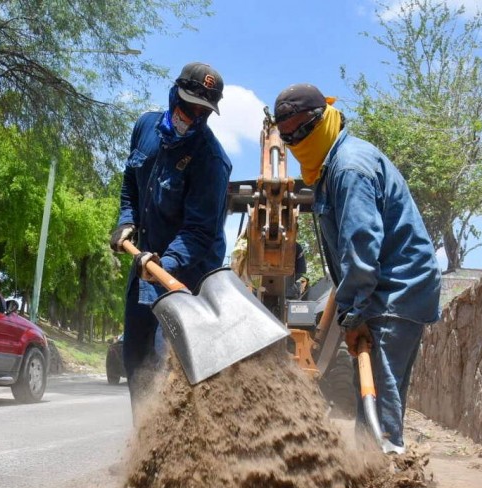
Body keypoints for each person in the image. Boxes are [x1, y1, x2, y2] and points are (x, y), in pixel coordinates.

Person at [273, 83, 441, 454]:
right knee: (371, 390)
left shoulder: (349, 168)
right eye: (287, 136)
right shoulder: (331, 166)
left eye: (302, 130)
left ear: (324, 118)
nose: (296, 140)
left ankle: (386, 479)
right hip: (383, 290)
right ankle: (372, 476)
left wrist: (356, 315)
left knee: (379, 397)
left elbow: (360, 248)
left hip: (394, 292)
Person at [109, 62, 232, 417]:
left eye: (202, 112)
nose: (192, 116)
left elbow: (198, 232)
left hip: (185, 277)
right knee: (134, 357)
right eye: (188, 105)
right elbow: (130, 182)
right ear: (174, 92)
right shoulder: (145, 126)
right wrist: (126, 220)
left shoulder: (211, 161)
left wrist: (166, 263)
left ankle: (185, 452)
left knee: (171, 363)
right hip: (144, 264)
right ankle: (145, 448)